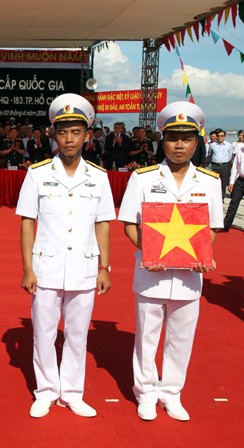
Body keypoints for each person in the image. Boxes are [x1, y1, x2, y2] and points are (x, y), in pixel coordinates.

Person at [118, 101, 223, 421]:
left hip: (190, 275)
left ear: (196, 142)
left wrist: (203, 256)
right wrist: (148, 253)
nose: (179, 145)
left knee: (182, 338)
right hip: (152, 272)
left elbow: (213, 228)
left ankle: (172, 392)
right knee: (146, 336)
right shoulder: (143, 177)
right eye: (173, 138)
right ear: (162, 141)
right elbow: (130, 225)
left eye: (187, 138)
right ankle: (146, 392)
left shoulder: (209, 181)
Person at [17, 93, 115, 419]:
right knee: (43, 333)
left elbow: (103, 225)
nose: (69, 139)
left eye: (76, 132)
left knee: (77, 334)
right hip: (45, 266)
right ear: (53, 135)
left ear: (88, 135)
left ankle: (72, 392)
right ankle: (46, 390)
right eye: (63, 132)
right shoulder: (37, 173)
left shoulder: (99, 177)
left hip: (84, 268)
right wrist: (27, 268)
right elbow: (27, 223)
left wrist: (104, 267)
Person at [208, 128, 233, 200]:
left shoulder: (228, 145)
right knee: (213, 182)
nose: (220, 137)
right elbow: (210, 154)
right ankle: (212, 197)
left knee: (223, 183)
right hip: (214, 165)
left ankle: (221, 198)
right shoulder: (212, 145)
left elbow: (230, 156)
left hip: (224, 165)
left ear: (224, 136)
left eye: (222, 136)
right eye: (218, 136)